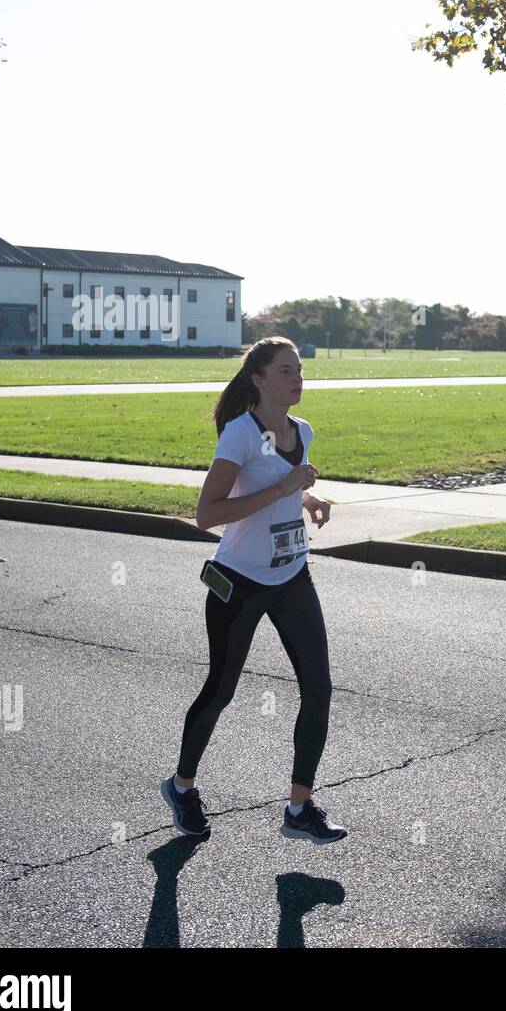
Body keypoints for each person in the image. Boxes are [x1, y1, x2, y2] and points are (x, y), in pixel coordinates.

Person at [160, 336, 346, 845]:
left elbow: (280, 484)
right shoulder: (240, 435)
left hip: (292, 576)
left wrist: (308, 498)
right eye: (286, 371)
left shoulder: (302, 431)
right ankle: (182, 786)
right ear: (259, 380)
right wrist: (285, 489)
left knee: (319, 688)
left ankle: (299, 806)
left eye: (300, 370)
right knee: (221, 690)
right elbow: (208, 514)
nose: (298, 378)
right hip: (239, 583)